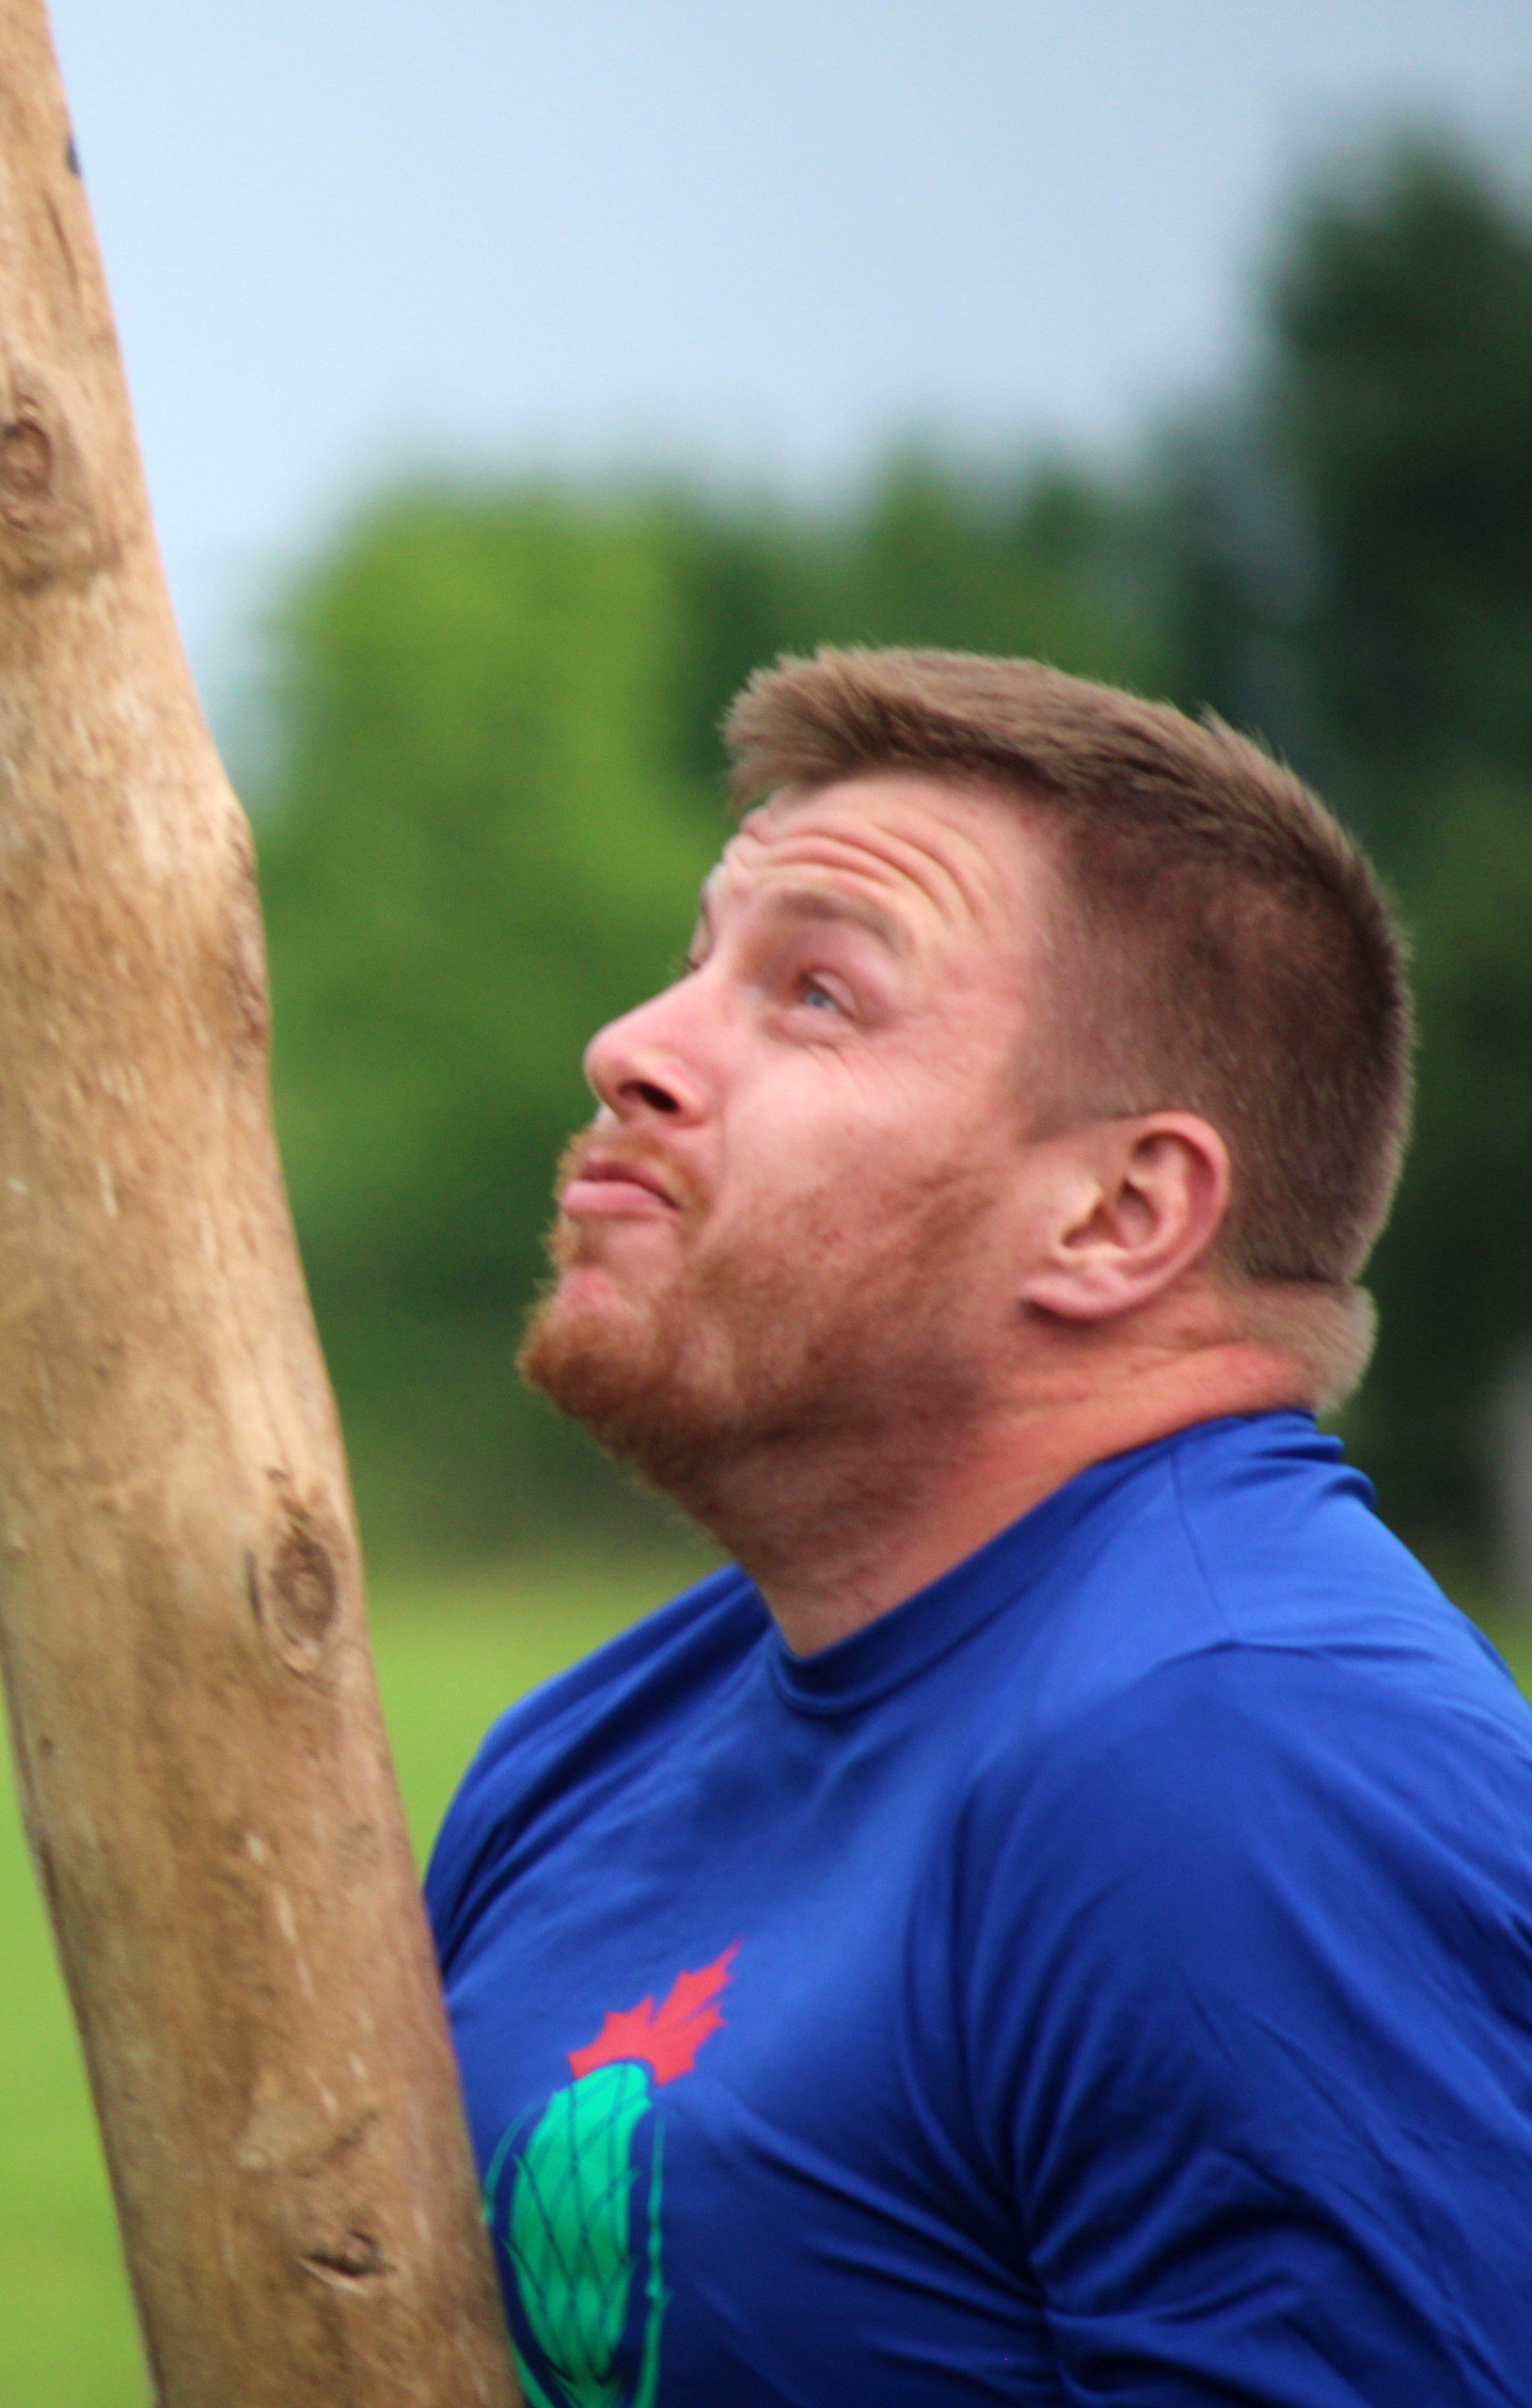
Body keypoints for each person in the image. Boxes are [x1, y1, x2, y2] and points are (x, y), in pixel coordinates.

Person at [423, 647, 1532, 2406]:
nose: (631, 1048)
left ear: (1117, 1214)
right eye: (696, 958)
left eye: (815, 996)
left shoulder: (1244, 1767)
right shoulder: (594, 1746)